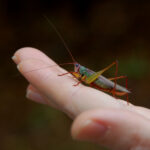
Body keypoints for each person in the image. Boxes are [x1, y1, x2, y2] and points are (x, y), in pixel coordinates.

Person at [12, 47, 150, 150]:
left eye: (77, 67)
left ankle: (115, 89)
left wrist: (79, 81)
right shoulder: (79, 72)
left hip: (99, 81)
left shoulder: (85, 74)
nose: (75, 68)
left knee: (112, 76)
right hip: (95, 81)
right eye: (75, 67)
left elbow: (83, 78)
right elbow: (76, 75)